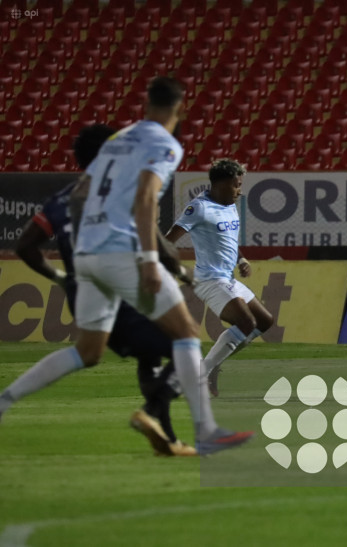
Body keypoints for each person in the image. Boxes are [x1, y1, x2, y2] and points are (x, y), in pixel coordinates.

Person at [0, 76, 253, 456]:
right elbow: (147, 195)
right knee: (185, 333)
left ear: (147, 105)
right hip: (121, 250)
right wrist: (150, 261)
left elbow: (83, 191)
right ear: (178, 109)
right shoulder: (163, 144)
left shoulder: (119, 140)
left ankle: (4, 400)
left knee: (87, 351)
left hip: (87, 253)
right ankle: (206, 431)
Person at [14, 123, 195, 457]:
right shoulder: (119, 194)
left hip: (83, 291)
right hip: (122, 289)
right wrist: (184, 273)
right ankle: (152, 413)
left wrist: (59, 277)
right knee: (188, 349)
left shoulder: (61, 198)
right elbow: (159, 245)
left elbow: (25, 244)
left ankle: (166, 438)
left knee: (146, 354)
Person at [165, 159, 273, 397]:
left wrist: (241, 259)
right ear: (220, 184)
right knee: (246, 323)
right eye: (236, 185)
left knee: (265, 321)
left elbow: (230, 241)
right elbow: (168, 240)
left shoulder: (229, 205)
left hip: (229, 279)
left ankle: (211, 366)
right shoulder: (199, 208)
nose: (239, 190)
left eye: (240, 184)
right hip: (210, 281)